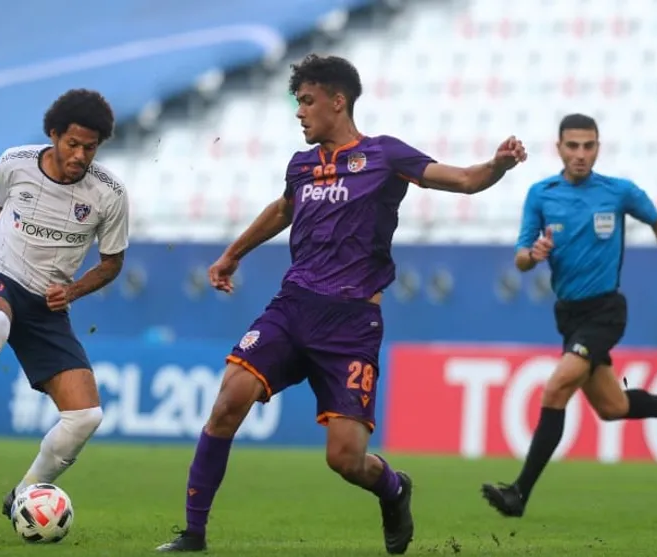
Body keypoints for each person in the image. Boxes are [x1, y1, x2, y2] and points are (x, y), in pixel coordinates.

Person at [156, 54, 527, 554]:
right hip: (293, 307)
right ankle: (193, 533)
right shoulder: (302, 165)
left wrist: (497, 166)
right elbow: (284, 209)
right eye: (297, 102)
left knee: (346, 459)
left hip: (352, 324)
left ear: (338, 101)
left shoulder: (385, 155)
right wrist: (232, 254)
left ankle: (394, 489)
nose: (299, 112)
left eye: (307, 101)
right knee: (228, 401)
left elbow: (462, 180)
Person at [481, 113, 657, 518]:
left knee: (556, 387)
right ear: (559, 148)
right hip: (569, 316)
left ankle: (519, 492)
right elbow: (521, 257)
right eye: (573, 146)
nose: (580, 154)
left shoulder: (618, 192)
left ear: (598, 148)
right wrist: (533, 255)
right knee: (612, 407)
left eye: (588, 146)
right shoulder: (542, 194)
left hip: (606, 311)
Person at [0, 89, 130, 518]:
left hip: (48, 300)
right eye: (73, 144)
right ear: (54, 135)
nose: (80, 155)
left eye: (90, 148)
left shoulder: (109, 194)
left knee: (86, 417)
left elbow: (112, 263)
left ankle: (21, 497)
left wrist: (73, 291)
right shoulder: (15, 163)